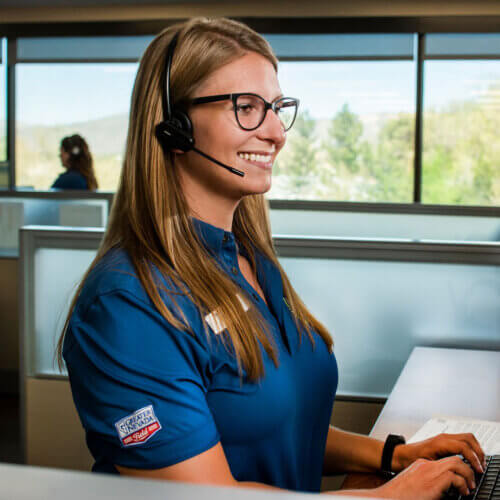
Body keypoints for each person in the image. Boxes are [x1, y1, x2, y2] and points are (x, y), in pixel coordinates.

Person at [56, 17, 485, 498]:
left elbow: (277, 426)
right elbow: (206, 497)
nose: (278, 133)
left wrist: (392, 455)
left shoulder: (249, 260)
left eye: (277, 108)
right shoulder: (126, 306)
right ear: (174, 128)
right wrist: (388, 496)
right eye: (247, 108)